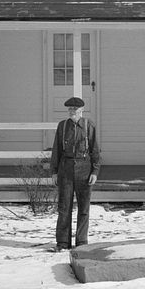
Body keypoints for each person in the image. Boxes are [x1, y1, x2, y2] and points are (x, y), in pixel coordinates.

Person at [49, 97, 100, 252]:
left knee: (84, 208)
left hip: (84, 169)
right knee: (64, 207)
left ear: (81, 110)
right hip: (66, 170)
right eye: (70, 109)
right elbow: (56, 150)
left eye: (75, 109)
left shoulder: (88, 125)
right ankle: (63, 242)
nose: (72, 112)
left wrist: (95, 171)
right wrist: (54, 171)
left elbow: (95, 150)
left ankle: (81, 241)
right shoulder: (62, 126)